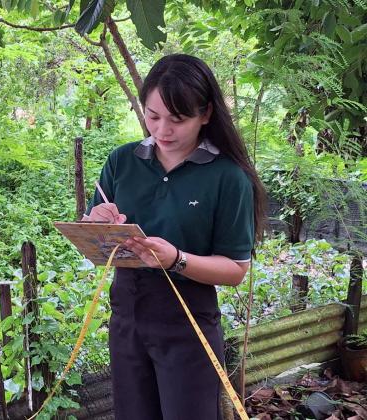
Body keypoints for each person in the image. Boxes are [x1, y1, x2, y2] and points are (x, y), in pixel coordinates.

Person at [83, 54, 266, 419]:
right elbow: (93, 240)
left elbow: (235, 270)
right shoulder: (122, 161)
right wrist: (96, 223)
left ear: (206, 114)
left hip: (188, 326)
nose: (162, 130)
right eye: (153, 116)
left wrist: (176, 259)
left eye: (177, 119)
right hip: (127, 319)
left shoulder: (228, 178)